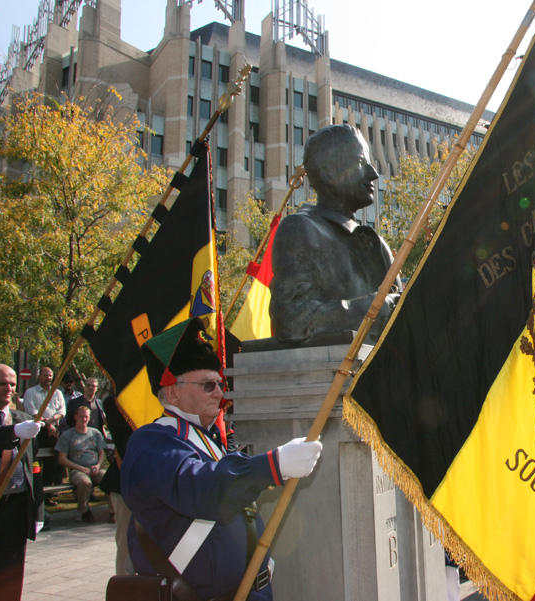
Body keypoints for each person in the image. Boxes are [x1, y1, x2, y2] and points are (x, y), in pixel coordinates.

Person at [121, 317, 323, 601]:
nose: (220, 392)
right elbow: (202, 488)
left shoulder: (206, 439)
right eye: (207, 384)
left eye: (220, 382)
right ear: (173, 391)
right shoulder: (151, 443)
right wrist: (273, 466)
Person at [269, 124, 401, 346]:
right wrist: (377, 308)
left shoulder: (376, 244)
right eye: (361, 163)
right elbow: (291, 321)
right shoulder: (300, 229)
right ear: (330, 170)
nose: (373, 174)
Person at [0, 364, 43, 601]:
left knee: (9, 578)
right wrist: (13, 432)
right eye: (2, 383)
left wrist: (38, 510)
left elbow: (34, 467)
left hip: (17, 508)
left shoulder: (23, 419)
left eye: (12, 383)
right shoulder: (17, 426)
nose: (9, 388)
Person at [99, 395, 134, 574]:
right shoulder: (114, 402)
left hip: (158, 482)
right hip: (126, 484)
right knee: (127, 545)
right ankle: (124, 590)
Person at [55, 405, 107, 523]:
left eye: (86, 417)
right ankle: (84, 511)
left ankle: (113, 511)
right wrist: (80, 468)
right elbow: (62, 459)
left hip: (95, 467)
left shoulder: (95, 433)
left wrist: (98, 465)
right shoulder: (68, 435)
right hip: (77, 469)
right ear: (75, 417)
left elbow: (101, 453)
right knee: (85, 482)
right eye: (81, 416)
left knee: (108, 478)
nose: (84, 419)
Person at [22, 366, 66, 494]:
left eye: (50, 375)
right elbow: (32, 412)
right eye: (46, 375)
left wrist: (52, 420)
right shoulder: (31, 392)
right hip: (37, 432)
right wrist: (48, 425)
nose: (48, 378)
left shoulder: (57, 393)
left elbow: (62, 411)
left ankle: (47, 494)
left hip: (53, 432)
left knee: (51, 463)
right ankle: (34, 491)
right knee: (35, 462)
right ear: (39, 376)